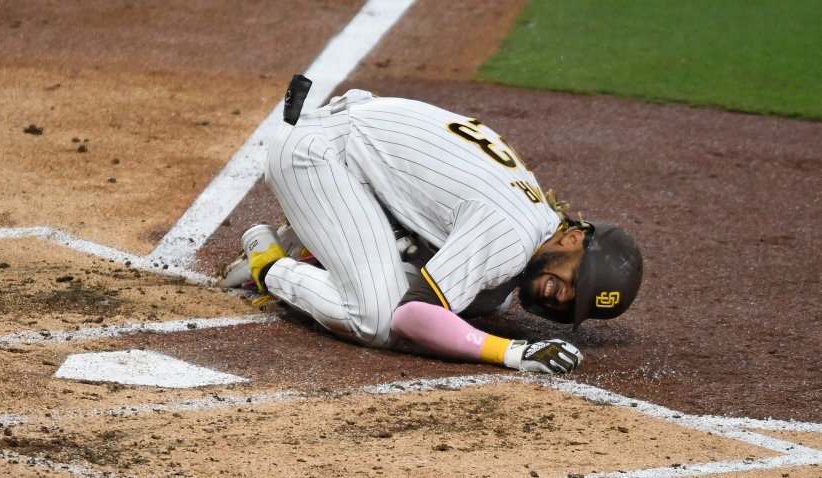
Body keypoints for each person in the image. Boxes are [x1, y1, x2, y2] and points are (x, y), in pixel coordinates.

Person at [230, 81, 643, 374]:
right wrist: (512, 352)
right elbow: (412, 318)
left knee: (486, 298)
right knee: (375, 321)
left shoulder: (535, 218)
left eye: (577, 301)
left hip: (353, 151)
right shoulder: (512, 237)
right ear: (573, 237)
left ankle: (323, 242)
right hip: (319, 156)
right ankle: (269, 263)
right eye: (577, 279)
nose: (564, 295)